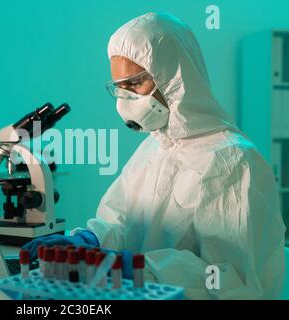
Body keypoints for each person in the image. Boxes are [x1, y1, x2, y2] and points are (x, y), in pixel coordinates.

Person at [23, 12, 286, 299]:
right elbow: (123, 222)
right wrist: (90, 241)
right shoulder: (154, 146)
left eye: (135, 84)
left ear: (174, 77)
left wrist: (133, 267)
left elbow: (230, 280)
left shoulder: (234, 161)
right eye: (119, 88)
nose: (126, 101)